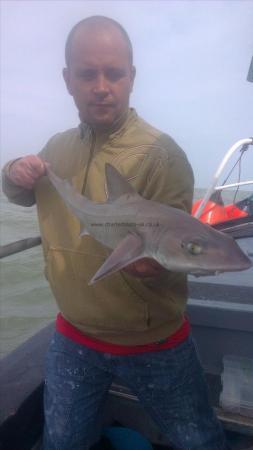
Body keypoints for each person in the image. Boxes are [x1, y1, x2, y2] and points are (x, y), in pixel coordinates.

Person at [2, 16, 230, 450]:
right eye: (87, 74)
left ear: (132, 77)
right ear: (68, 80)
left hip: (155, 343)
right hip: (73, 335)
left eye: (114, 73)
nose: (101, 86)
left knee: (200, 442)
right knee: (62, 443)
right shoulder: (56, 149)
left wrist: (154, 268)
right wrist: (13, 172)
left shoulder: (162, 156)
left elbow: (176, 251)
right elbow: (19, 195)